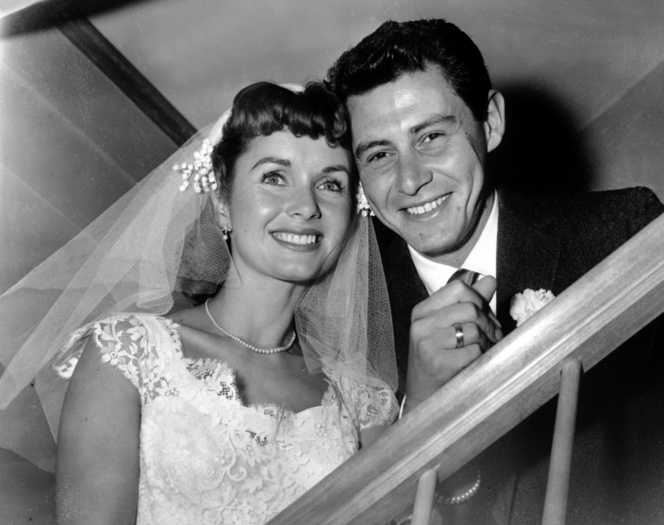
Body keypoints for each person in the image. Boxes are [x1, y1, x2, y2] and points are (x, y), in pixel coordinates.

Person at [326, 19, 664, 524]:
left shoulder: (623, 230)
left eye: (431, 136)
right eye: (379, 154)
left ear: (491, 122)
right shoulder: (346, 331)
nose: (409, 180)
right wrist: (423, 414)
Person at [0, 81, 399, 524]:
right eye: (274, 177)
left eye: (330, 183)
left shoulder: (359, 398)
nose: (305, 206)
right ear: (223, 204)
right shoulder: (129, 353)